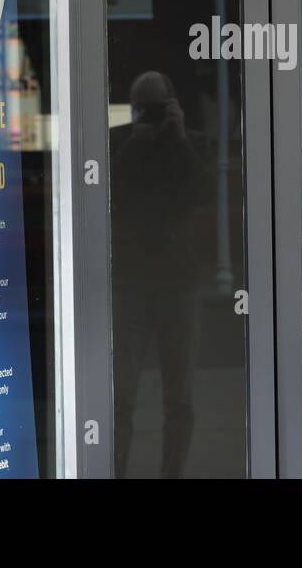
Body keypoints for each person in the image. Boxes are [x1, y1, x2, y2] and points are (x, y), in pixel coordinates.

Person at [110, 71, 212, 477]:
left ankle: (173, 473)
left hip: (177, 279)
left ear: (172, 105)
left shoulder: (193, 143)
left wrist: (181, 138)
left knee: (179, 395)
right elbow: (108, 189)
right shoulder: (122, 143)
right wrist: (136, 140)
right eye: (142, 108)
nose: (149, 116)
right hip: (132, 280)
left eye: (156, 108)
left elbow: (206, 192)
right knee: (122, 394)